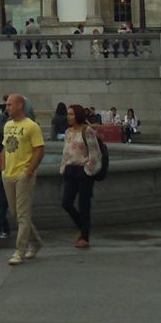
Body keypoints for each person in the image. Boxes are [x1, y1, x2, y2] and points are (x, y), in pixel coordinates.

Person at [1, 93, 45, 266]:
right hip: (8, 174)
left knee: (23, 215)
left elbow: (39, 150)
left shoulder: (32, 126)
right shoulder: (7, 125)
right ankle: (36, 242)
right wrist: (3, 169)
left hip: (23, 175)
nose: (7, 107)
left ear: (20, 105)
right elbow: (4, 147)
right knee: (16, 214)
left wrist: (29, 171)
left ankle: (19, 251)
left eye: (10, 104)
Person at [60, 104, 101, 249]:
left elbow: (95, 152)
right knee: (66, 202)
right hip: (70, 170)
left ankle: (85, 236)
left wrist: (88, 169)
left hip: (83, 171)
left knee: (84, 205)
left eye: (71, 114)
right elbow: (66, 151)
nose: (68, 117)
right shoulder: (68, 132)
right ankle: (82, 226)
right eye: (68, 114)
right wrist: (63, 168)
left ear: (78, 115)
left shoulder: (87, 131)